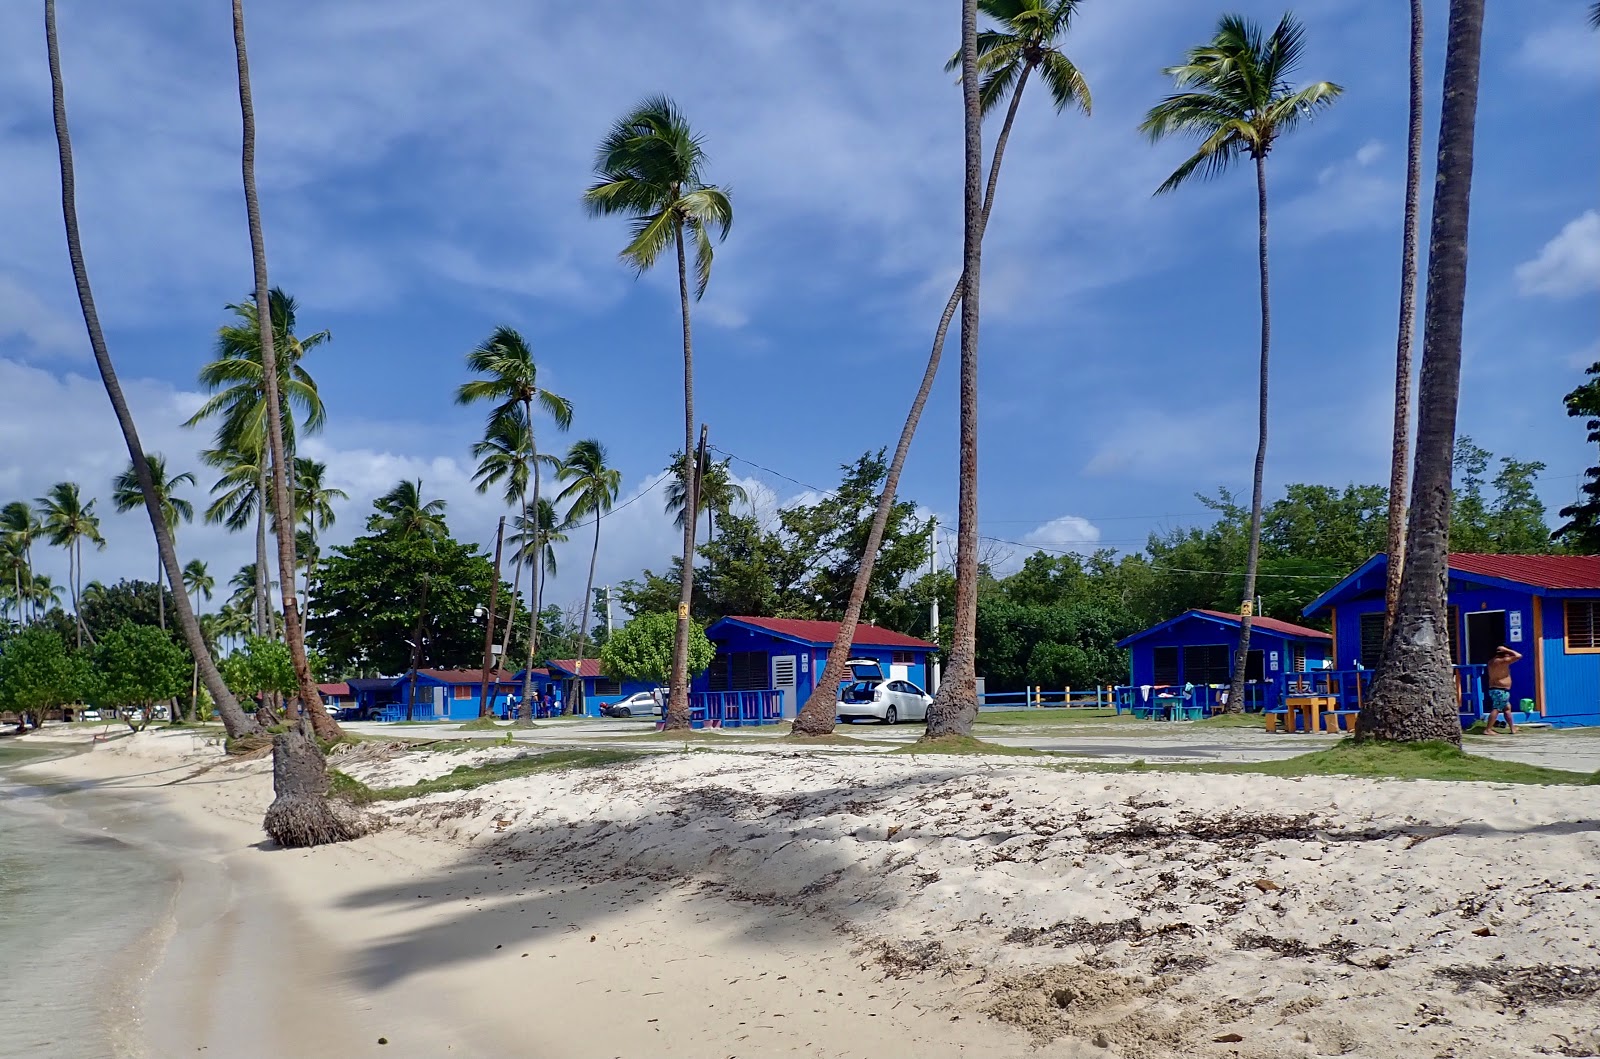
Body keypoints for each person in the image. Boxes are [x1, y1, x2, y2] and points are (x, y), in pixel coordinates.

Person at [1484, 645, 1522, 734]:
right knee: (1497, 708)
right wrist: (1508, 650)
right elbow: (1519, 656)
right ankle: (1488, 729)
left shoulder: (1491, 661)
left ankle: (1512, 728)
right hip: (1500, 690)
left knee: (1507, 708)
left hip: (1496, 689)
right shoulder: (1502, 661)